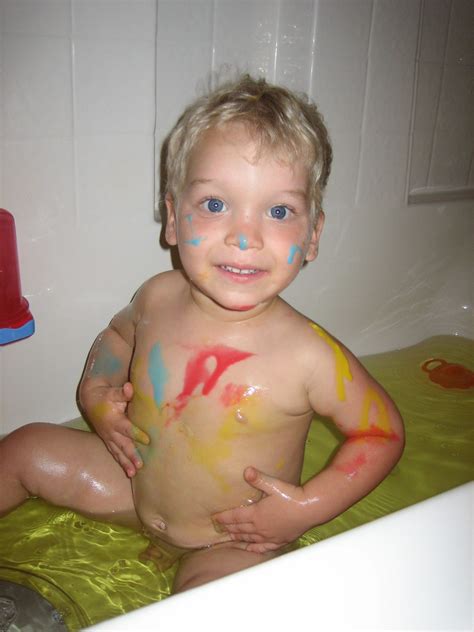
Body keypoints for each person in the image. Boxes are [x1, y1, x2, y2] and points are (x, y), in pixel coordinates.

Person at [0, 75, 404, 592]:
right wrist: (97, 392)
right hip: (134, 490)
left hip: (233, 537)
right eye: (215, 204)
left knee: (206, 607)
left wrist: (304, 509)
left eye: (278, 211)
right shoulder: (157, 297)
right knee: (25, 448)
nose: (244, 235)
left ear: (313, 237)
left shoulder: (307, 356)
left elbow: (382, 433)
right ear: (172, 219)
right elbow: (117, 337)